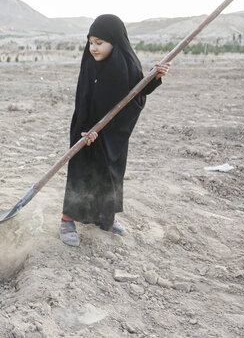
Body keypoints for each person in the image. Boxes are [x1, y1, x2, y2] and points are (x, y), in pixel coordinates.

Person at [60, 14, 169, 246]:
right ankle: (67, 220)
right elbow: (82, 99)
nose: (93, 48)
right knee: (82, 173)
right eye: (90, 42)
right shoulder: (90, 64)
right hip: (87, 129)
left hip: (112, 132)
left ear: (114, 41)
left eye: (99, 43)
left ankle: (105, 219)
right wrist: (86, 129)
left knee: (110, 174)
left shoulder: (128, 63)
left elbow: (136, 92)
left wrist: (154, 77)